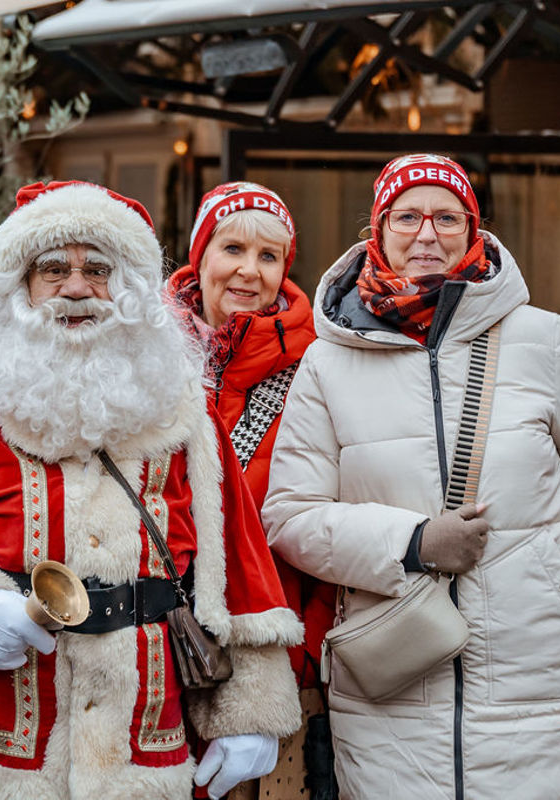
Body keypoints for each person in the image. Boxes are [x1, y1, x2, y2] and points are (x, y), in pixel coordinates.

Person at [0, 180, 303, 800]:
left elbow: (235, 553)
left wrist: (249, 710)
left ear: (128, 285)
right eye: (53, 269)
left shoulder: (179, 402)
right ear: (18, 283)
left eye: (98, 270)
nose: (76, 288)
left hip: (142, 739)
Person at [262, 153, 560, 798]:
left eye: (447, 217)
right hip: (392, 698)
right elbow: (289, 517)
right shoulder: (327, 364)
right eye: (407, 216)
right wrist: (410, 541)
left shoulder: (549, 342)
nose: (427, 233)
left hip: (543, 687)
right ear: (377, 233)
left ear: (474, 230)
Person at [166, 182, 337, 797]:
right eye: (232, 248)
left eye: (269, 256)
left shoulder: (316, 370)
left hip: (272, 666)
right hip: (151, 663)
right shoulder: (143, 357)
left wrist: (303, 662)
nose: (248, 270)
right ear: (200, 257)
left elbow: (327, 525)